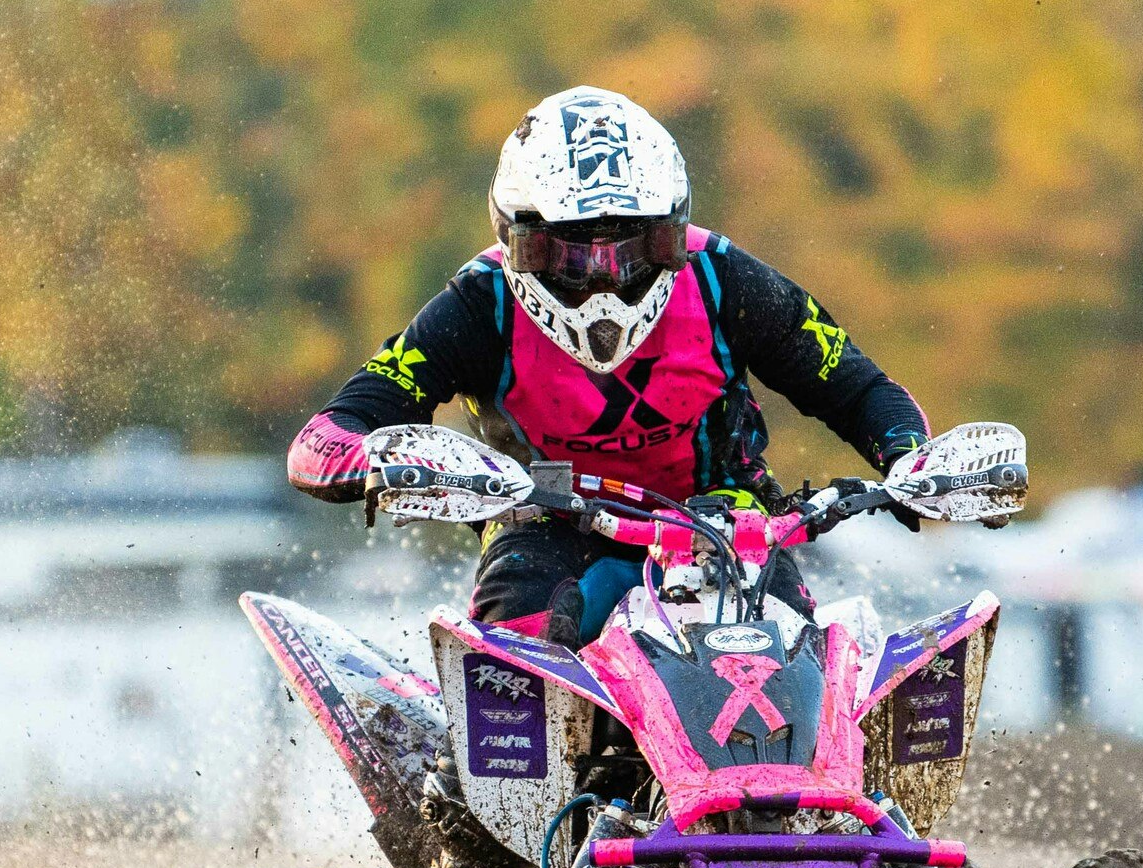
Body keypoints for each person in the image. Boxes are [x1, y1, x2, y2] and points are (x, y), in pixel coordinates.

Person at [285, 85, 929, 645]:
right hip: (546, 524)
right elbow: (326, 435)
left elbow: (858, 388)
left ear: (670, 233)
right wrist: (379, 462)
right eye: (571, 254)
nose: (603, 281)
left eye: (630, 244)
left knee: (800, 654)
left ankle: (838, 787)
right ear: (519, 241)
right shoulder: (479, 305)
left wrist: (912, 461)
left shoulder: (725, 279)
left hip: (723, 523)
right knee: (517, 636)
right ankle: (463, 786)